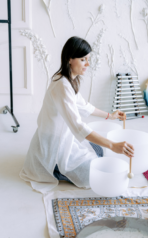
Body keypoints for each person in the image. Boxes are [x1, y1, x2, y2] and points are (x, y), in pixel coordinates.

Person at [19, 36, 134, 193]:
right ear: (69, 59)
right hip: (52, 148)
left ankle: (66, 167)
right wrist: (113, 145)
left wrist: (110, 116)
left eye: (88, 59)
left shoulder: (67, 80)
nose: (87, 64)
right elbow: (78, 127)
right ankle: (55, 169)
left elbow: (85, 106)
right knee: (92, 175)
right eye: (83, 59)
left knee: (100, 151)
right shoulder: (62, 86)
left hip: (64, 140)